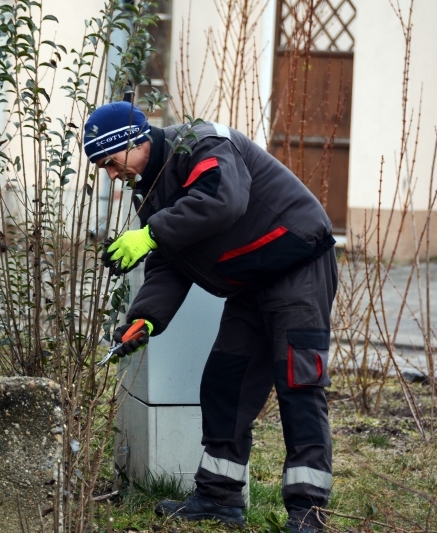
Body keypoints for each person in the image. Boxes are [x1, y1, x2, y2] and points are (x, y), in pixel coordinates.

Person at [84, 101, 337, 533]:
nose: (111, 175)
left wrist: (151, 234)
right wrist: (145, 318)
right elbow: (169, 262)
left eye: (111, 162)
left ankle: (308, 511)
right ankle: (219, 497)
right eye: (102, 167)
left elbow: (222, 199)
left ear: (137, 141)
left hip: (297, 266)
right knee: (225, 383)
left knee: (299, 383)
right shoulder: (152, 189)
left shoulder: (201, 144)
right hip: (250, 283)